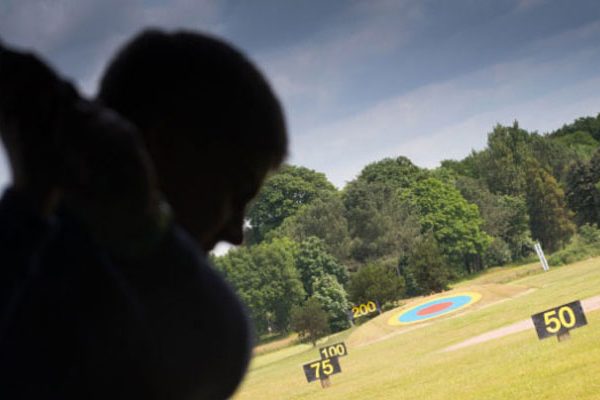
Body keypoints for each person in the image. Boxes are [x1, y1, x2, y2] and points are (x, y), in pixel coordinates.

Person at [0, 28, 287, 399]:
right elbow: (218, 345)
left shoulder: (31, 251)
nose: (236, 233)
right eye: (236, 193)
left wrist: (29, 196)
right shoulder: (185, 323)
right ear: (162, 146)